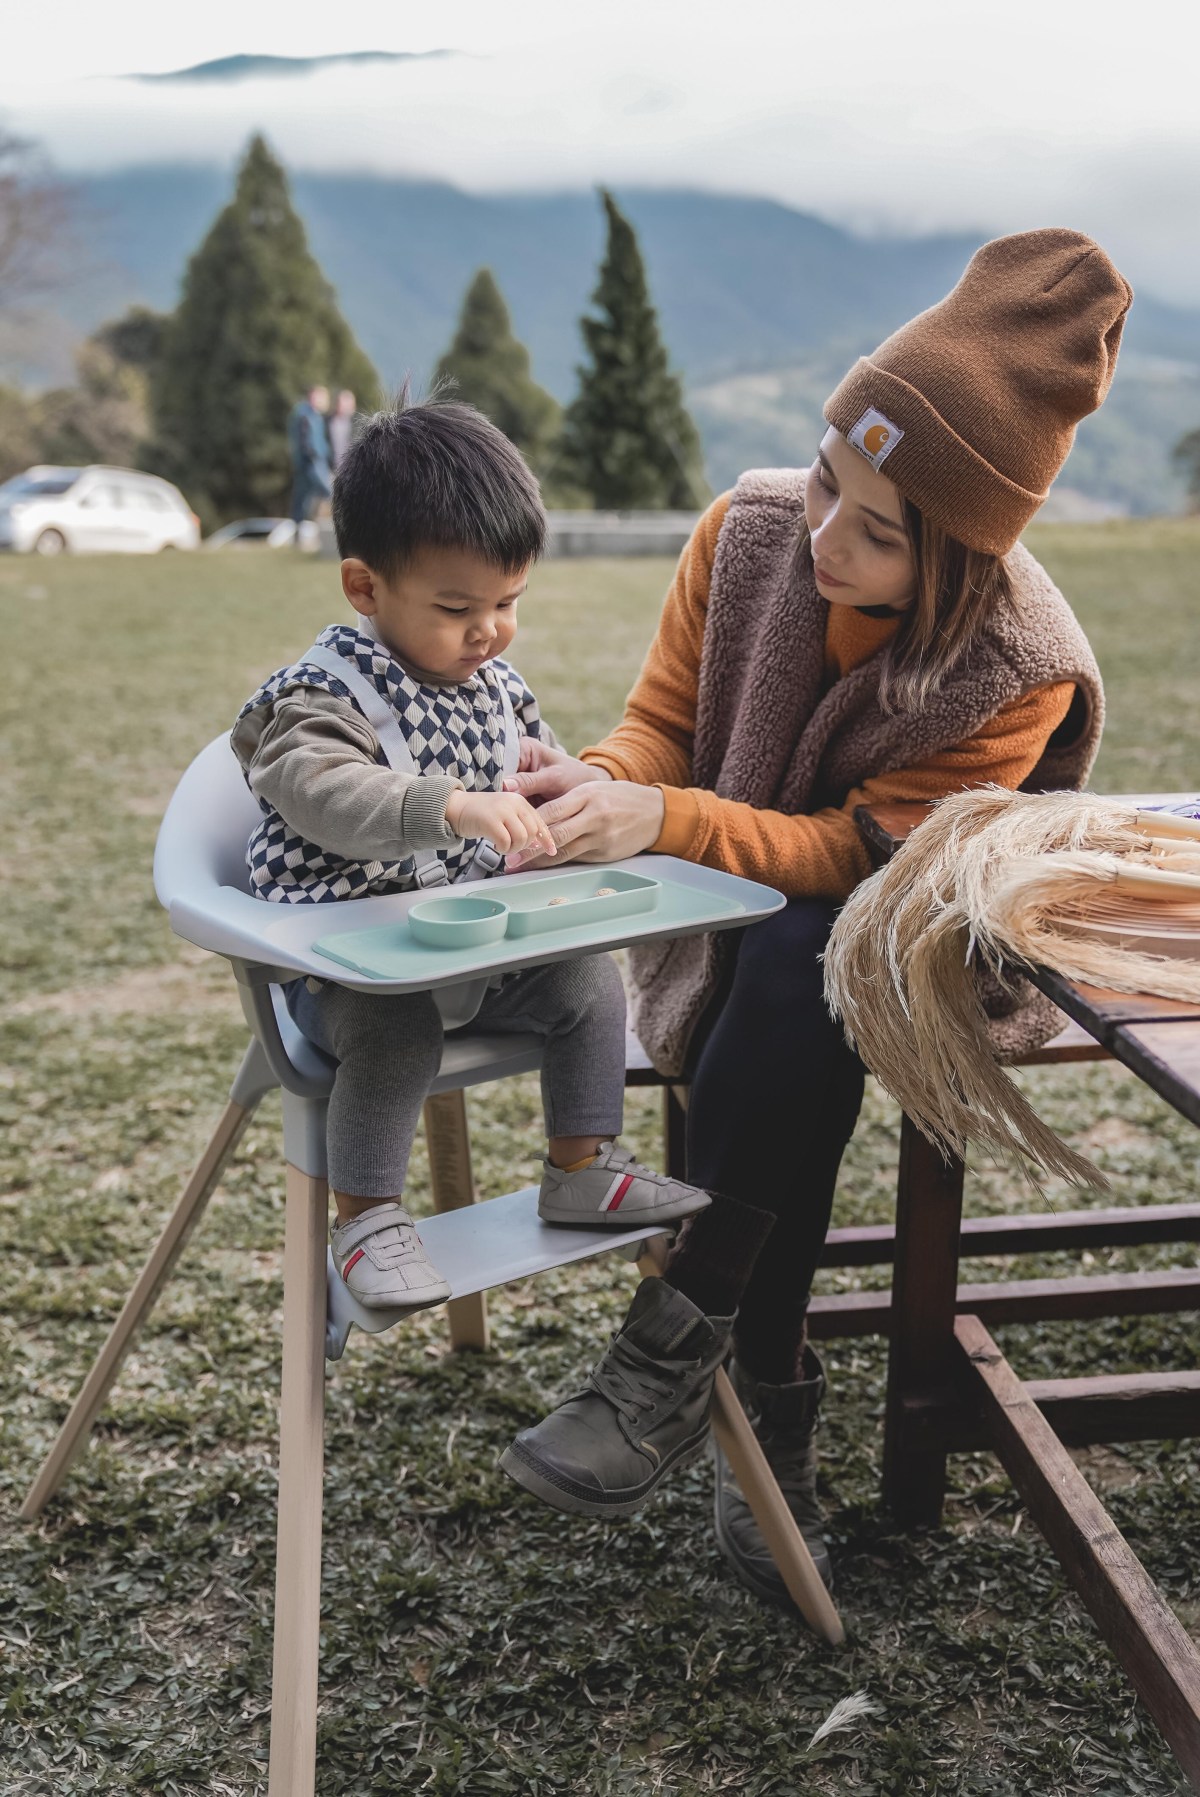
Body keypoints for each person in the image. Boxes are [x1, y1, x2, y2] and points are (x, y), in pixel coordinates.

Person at [495, 231, 1131, 1604]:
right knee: (789, 963)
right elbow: (663, 721)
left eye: (878, 528)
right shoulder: (748, 531)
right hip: (753, 910)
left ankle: (679, 1370)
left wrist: (663, 823)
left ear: (962, 554)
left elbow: (860, 852)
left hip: (912, 936)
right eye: (830, 478)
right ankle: (759, 1395)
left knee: (816, 959)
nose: (825, 533)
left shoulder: (1017, 669)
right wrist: (597, 786)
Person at [231, 399, 710, 1317]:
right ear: (365, 589)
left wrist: (548, 811)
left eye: (508, 602)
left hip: (474, 947)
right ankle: (367, 1219)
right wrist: (451, 805)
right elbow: (320, 792)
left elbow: (530, 780)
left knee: (587, 982)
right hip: (346, 972)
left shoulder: (493, 687)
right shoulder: (324, 694)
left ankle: (580, 1166)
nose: (488, 629)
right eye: (457, 607)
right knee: (397, 1029)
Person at [287, 383, 333, 533]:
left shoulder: (313, 415)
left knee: (302, 499)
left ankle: (299, 532)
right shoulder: (306, 415)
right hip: (312, 462)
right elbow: (307, 442)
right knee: (328, 493)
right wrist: (314, 454)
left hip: (310, 461)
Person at [328, 389, 357, 470]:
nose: (344, 406)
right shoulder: (327, 421)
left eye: (347, 403)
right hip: (331, 469)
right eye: (342, 403)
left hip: (350, 470)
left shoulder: (356, 424)